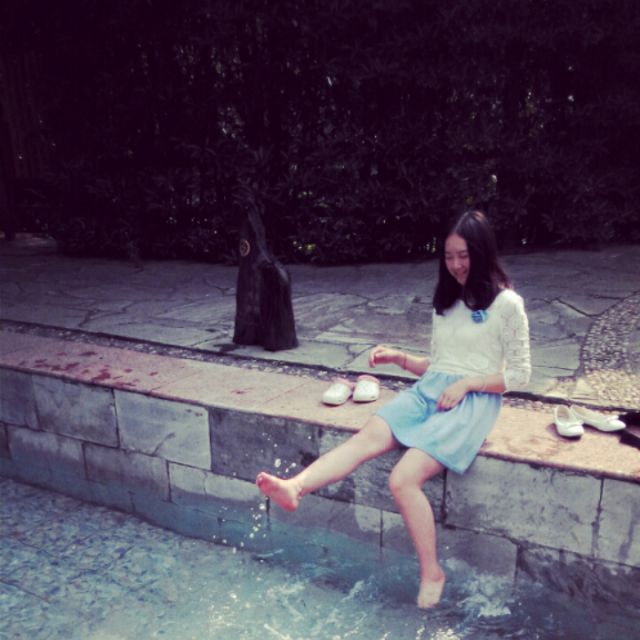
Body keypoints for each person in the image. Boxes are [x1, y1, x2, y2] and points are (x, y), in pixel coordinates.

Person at [256, 210, 531, 608]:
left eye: (464, 255)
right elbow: (440, 365)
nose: (456, 265)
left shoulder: (507, 304)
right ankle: (296, 487)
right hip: (432, 391)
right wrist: (400, 358)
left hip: (473, 402)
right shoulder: (446, 301)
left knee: (402, 479)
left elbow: (520, 376)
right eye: (449, 256)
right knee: (367, 436)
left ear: (483, 252)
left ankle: (431, 572)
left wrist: (468, 383)